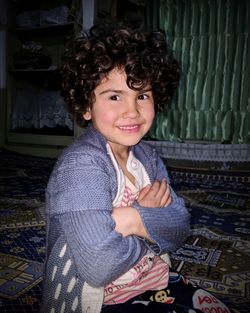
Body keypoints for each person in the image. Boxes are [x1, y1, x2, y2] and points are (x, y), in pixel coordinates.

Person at [40, 24, 231, 313]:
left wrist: (130, 220)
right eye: (114, 96)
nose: (132, 111)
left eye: (142, 95)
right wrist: (150, 225)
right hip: (101, 300)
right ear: (85, 106)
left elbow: (180, 226)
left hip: (156, 281)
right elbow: (98, 265)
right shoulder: (80, 167)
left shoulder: (148, 157)